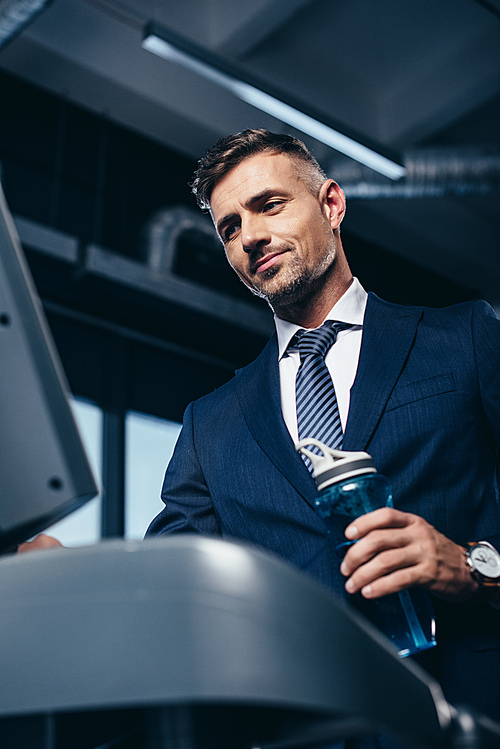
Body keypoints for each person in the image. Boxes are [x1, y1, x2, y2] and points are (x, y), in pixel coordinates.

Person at [146, 129, 500, 730]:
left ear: (332, 205)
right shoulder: (210, 423)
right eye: (229, 227)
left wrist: (475, 567)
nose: (250, 235)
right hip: (307, 728)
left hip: (468, 712)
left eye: (269, 205)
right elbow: (173, 593)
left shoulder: (465, 338)